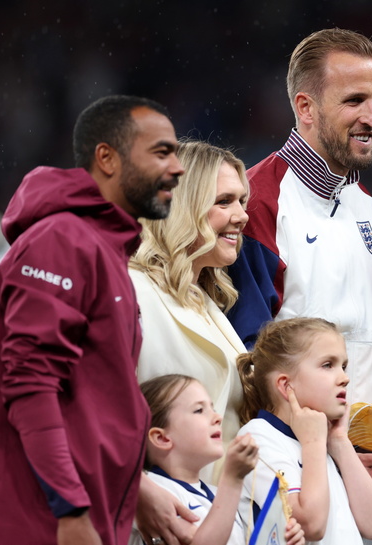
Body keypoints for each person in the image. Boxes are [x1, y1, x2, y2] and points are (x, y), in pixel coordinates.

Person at [0, 95, 184, 545]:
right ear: (107, 159)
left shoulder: (104, 249)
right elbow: (30, 385)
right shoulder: (62, 240)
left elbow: (91, 404)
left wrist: (134, 490)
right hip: (39, 523)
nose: (177, 167)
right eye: (161, 151)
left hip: (77, 517)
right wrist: (72, 508)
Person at [226, 28, 372, 405]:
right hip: (299, 451)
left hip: (368, 447)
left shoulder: (361, 199)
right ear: (305, 108)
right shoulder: (256, 203)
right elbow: (249, 355)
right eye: (355, 100)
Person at [130, 140, 250, 483]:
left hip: (219, 517)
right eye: (224, 201)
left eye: (241, 201)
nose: (241, 215)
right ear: (182, 207)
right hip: (159, 518)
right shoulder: (129, 292)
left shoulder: (207, 303)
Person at [236, 318, 372, 544]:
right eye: (328, 365)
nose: (345, 378)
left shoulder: (322, 438)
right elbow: (310, 525)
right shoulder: (259, 438)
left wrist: (339, 442)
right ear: (286, 385)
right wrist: (314, 445)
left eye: (344, 366)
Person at [129, 374, 305, 545]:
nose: (217, 417)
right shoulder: (151, 492)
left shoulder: (215, 494)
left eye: (212, 408)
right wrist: (232, 479)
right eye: (199, 410)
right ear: (161, 438)